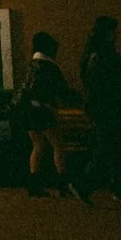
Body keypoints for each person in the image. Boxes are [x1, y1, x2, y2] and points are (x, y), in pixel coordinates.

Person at [77, 14, 121, 202]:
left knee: (114, 147)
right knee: (107, 148)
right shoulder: (105, 55)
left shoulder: (92, 55)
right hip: (108, 108)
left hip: (101, 108)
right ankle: (85, 184)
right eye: (114, 32)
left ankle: (119, 186)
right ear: (108, 34)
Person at [14, 31, 75, 197]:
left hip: (26, 109)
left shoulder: (30, 65)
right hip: (42, 109)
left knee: (37, 145)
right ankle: (63, 184)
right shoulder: (50, 66)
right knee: (57, 144)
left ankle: (33, 184)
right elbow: (62, 90)